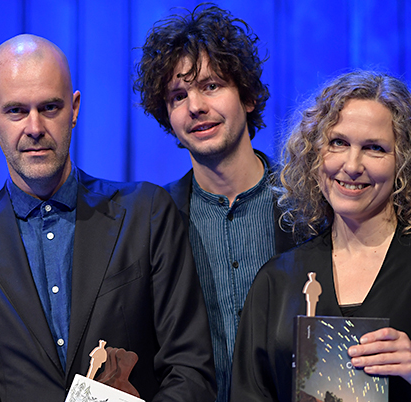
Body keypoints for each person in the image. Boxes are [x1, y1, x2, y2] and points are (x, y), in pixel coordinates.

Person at [0, 34, 216, 402]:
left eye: (49, 107)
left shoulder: (147, 212)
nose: (34, 128)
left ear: (74, 109)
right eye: (16, 110)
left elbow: (189, 367)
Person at [230, 70, 411, 401]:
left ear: (404, 164)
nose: (352, 165)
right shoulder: (277, 280)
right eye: (338, 142)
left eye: (374, 148)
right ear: (314, 154)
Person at [134, 5, 295, 401]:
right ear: (166, 117)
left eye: (211, 86)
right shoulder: (153, 220)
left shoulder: (309, 208)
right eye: (177, 96)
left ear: (249, 96)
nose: (195, 107)